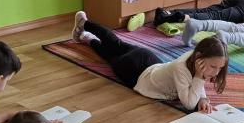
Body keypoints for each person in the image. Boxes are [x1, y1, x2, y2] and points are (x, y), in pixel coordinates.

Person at [72, 12, 228, 112]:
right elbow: (188, 103)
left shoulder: (194, 57)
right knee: (110, 55)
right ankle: (88, 37)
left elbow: (196, 87)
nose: (216, 72)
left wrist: (203, 98)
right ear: (199, 57)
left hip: (148, 60)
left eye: (220, 68)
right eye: (213, 66)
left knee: (116, 44)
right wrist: (200, 78)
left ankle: (84, 24)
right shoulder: (182, 68)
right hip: (138, 75)